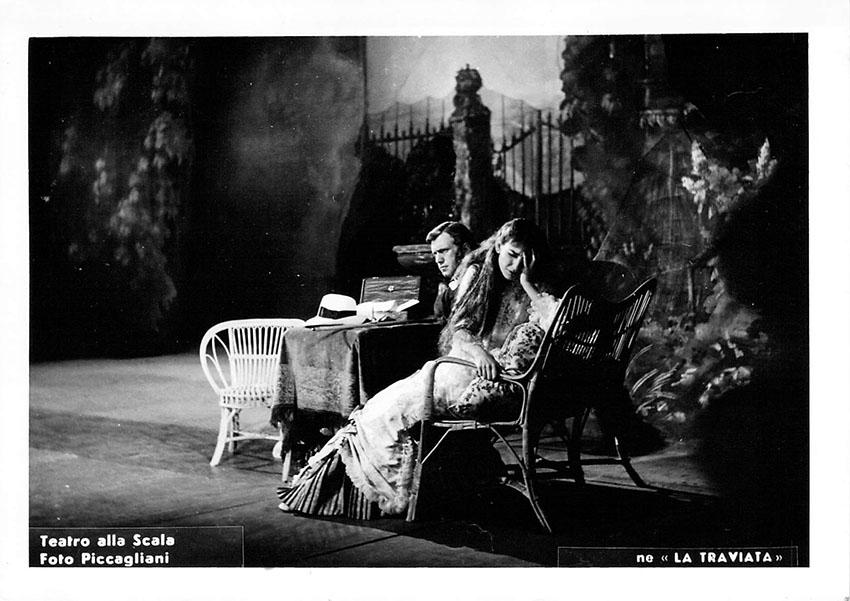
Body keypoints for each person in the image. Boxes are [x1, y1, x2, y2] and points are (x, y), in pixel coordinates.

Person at [277, 218, 559, 518]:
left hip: (478, 381)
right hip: (466, 365)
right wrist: (478, 352)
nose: (516, 266)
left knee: (390, 411)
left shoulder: (531, 288)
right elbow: (460, 329)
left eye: (525, 258)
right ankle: (320, 489)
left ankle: (384, 491)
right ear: (499, 246)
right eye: (512, 255)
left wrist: (527, 284)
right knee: (378, 410)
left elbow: (553, 320)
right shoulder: (482, 276)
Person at [426, 220, 476, 320]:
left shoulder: (477, 278)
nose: (438, 260)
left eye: (443, 251)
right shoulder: (455, 282)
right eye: (435, 254)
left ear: (465, 249)